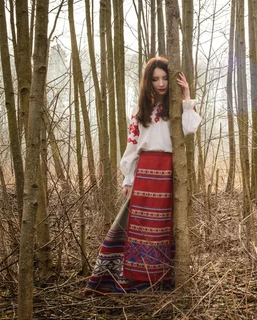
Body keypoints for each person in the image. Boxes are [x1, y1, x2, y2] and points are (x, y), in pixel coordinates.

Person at [84, 57, 201, 295]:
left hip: (170, 171)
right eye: (155, 79)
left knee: (165, 226)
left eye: (165, 78)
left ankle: (165, 278)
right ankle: (131, 279)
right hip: (145, 171)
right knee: (138, 226)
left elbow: (190, 128)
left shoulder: (176, 106)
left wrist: (187, 95)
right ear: (148, 82)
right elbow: (132, 145)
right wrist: (128, 179)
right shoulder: (139, 111)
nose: (161, 83)